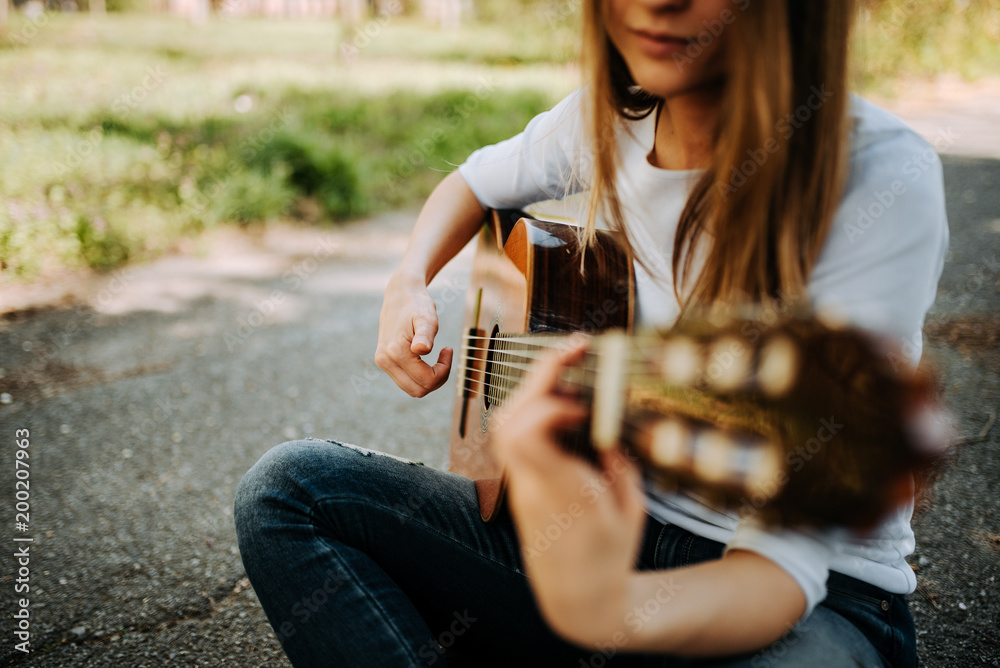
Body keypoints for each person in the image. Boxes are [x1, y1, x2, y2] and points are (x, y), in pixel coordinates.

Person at [234, 0, 949, 666]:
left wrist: (603, 606)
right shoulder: (611, 120)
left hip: (801, 598)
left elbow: (776, 578)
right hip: (599, 530)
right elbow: (476, 182)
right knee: (292, 490)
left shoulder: (874, 174)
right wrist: (408, 281)